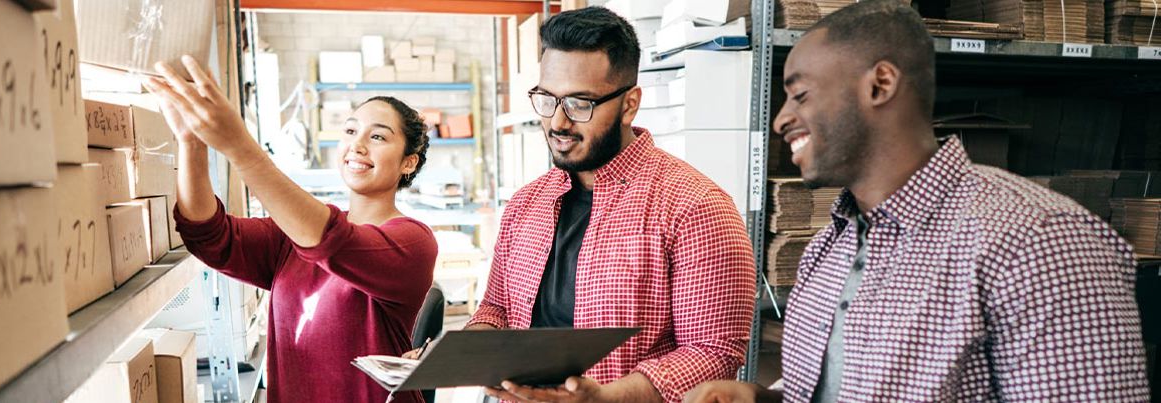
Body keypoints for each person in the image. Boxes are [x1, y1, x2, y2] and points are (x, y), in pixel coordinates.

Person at [684, 1, 1151, 402]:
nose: (781, 119)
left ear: (880, 84)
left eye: (800, 95)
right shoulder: (831, 246)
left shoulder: (1039, 242)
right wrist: (765, 398)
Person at [408, 7, 756, 403]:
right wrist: (463, 353)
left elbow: (714, 353)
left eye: (579, 103)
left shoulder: (696, 208)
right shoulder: (525, 204)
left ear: (629, 104)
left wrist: (606, 398)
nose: (558, 122)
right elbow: (498, 308)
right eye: (547, 99)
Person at [144, 56, 438, 403]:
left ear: (408, 162)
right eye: (350, 131)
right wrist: (191, 143)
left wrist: (240, 147)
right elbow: (209, 236)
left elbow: (333, 243)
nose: (357, 145)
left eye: (377, 136)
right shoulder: (293, 235)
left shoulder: (413, 241)